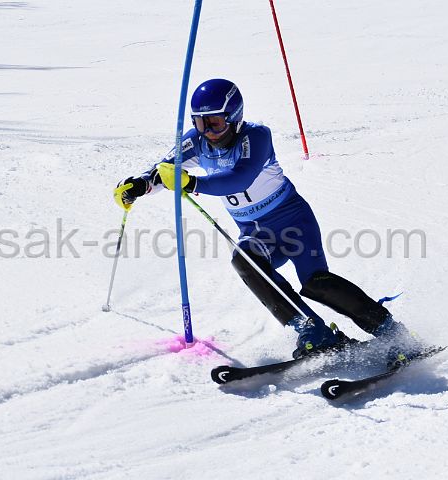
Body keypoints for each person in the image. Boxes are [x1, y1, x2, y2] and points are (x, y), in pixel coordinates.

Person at [113, 78, 421, 363]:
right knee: (244, 260)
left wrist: (192, 183)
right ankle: (312, 330)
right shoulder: (196, 142)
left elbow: (240, 178)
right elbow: (163, 170)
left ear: (234, 116)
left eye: (215, 123)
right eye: (200, 123)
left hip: (293, 222)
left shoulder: (256, 136)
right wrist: (139, 185)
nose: (208, 132)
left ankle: (391, 332)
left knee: (316, 283)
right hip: (255, 231)